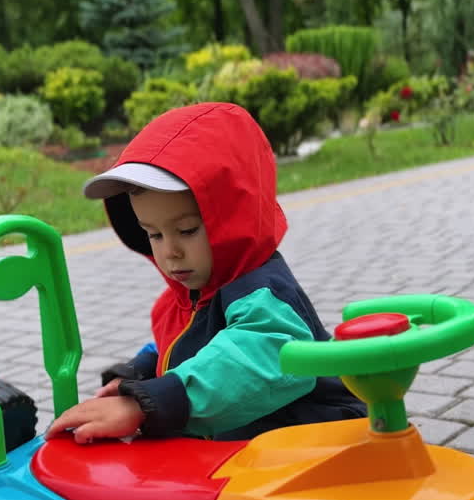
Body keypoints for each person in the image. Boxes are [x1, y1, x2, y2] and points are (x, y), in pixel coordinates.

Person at [46, 102, 366, 444]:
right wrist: (141, 372)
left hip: (323, 441)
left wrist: (150, 404)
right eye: (154, 234)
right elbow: (182, 341)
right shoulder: (186, 298)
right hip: (254, 446)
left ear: (233, 219)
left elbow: (253, 359)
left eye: (186, 230)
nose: (170, 250)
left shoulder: (264, 294)